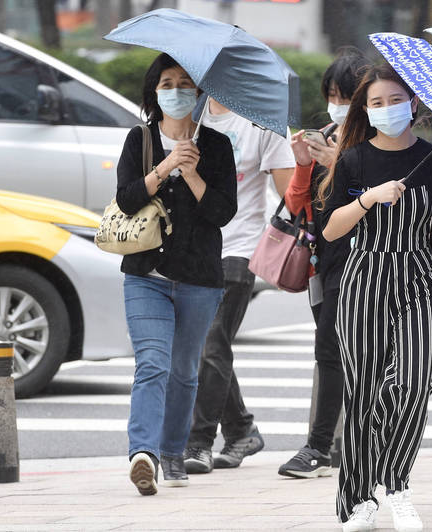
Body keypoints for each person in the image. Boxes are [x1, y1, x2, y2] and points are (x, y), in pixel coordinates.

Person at [320, 63, 432, 532]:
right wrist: (368, 199)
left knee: (411, 384)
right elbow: (330, 230)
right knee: (365, 391)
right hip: (365, 276)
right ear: (364, 112)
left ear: (413, 104)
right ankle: (359, 500)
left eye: (394, 101)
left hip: (419, 279)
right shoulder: (353, 161)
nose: (386, 110)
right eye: (376, 103)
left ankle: (398, 485)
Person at [116, 53, 237, 496]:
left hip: (200, 277)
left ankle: (172, 450)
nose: (177, 90)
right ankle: (142, 453)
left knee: (185, 371)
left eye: (186, 82)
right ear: (154, 92)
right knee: (152, 363)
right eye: (167, 83)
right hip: (146, 273)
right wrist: (165, 168)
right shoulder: (140, 139)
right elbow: (127, 199)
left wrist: (192, 172)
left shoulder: (218, 146)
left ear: (200, 93)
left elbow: (223, 212)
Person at [182, 97, 296, 474]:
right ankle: (241, 429)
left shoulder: (263, 121)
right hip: (196, 250)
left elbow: (290, 196)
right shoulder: (190, 117)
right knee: (206, 346)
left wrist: (301, 159)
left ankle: (198, 443)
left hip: (240, 248)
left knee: (210, 342)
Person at [279, 47, 369, 479]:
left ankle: (324, 445)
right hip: (326, 261)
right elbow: (296, 204)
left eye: (345, 94)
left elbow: (383, 202)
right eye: (332, 93)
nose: (337, 102)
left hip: (369, 260)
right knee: (330, 351)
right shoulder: (326, 133)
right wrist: (302, 165)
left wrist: (339, 165)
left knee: (348, 352)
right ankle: (329, 445)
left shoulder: (376, 143)